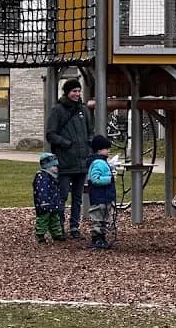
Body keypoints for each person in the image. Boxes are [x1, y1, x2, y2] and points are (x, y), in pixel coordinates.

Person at [45, 77, 93, 238]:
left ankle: (74, 227)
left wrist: (88, 146)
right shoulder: (57, 110)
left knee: (78, 197)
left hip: (81, 161)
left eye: (79, 91)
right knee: (62, 195)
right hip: (64, 161)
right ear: (67, 92)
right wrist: (66, 144)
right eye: (74, 91)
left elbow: (90, 131)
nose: (77, 94)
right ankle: (59, 226)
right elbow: (50, 134)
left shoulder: (83, 110)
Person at [87, 134, 116, 250]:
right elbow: (95, 179)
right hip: (99, 197)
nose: (108, 151)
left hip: (105, 197)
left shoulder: (101, 162)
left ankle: (101, 238)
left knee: (103, 219)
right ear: (99, 150)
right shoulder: (98, 163)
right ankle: (97, 238)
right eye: (106, 149)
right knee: (98, 218)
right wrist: (109, 179)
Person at [32, 152, 65, 244]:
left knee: (55, 219)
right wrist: (44, 202)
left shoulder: (53, 177)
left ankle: (57, 234)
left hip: (54, 202)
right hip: (45, 203)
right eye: (54, 166)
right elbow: (42, 191)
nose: (56, 168)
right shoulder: (42, 177)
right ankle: (40, 234)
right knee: (43, 219)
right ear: (47, 166)